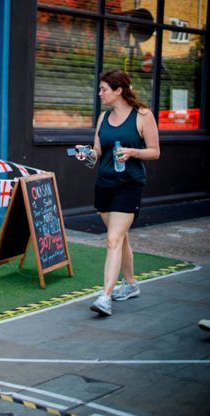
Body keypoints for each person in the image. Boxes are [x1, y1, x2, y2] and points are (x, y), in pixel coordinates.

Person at [75, 70, 160, 316]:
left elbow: (155, 151)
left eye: (103, 89)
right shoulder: (103, 117)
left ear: (118, 90)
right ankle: (131, 285)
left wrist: (134, 152)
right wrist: (86, 153)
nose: (100, 93)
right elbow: (98, 151)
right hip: (104, 184)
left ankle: (106, 297)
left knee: (113, 240)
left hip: (129, 185)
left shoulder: (143, 116)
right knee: (120, 238)